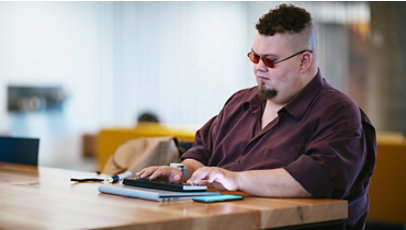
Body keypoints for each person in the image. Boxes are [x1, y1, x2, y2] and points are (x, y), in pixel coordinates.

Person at [136, 4, 376, 230]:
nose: (259, 67)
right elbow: (201, 152)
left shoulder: (339, 113)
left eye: (270, 61)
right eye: (254, 57)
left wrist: (236, 179)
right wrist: (184, 172)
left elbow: (317, 179)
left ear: (304, 61)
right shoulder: (240, 103)